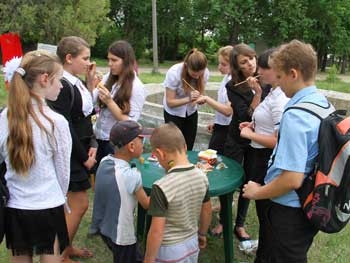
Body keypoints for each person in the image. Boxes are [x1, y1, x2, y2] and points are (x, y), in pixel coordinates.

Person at [243, 40, 323, 262]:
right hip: (311, 201)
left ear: (293, 74)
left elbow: (292, 179)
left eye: (279, 77)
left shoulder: (296, 114)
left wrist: (256, 192)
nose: (276, 83)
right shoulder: (321, 103)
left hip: (290, 209)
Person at [0, 50, 72, 263]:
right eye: (59, 80)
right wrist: (63, 197)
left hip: (16, 206)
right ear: (44, 79)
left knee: (20, 258)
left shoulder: (5, 117)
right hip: (48, 204)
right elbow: (63, 172)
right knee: (50, 257)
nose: (61, 86)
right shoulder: (56, 122)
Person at [47, 36, 97, 263]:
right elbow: (65, 127)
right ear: (69, 58)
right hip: (71, 154)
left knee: (70, 205)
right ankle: (59, 255)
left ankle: (66, 248)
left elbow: (86, 115)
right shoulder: (62, 85)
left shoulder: (74, 81)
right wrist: (83, 157)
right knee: (79, 204)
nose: (89, 62)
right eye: (85, 58)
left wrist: (93, 145)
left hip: (82, 148)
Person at [238, 48, 289, 257]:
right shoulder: (271, 92)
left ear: (276, 70)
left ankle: (266, 251)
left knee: (265, 209)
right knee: (263, 209)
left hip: (265, 158)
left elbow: (278, 141)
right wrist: (254, 123)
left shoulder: (279, 99)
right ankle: (265, 246)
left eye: (262, 67)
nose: (258, 70)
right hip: (259, 156)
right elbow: (268, 122)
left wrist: (250, 135)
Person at [144, 123, 212, 263]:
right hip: (192, 244)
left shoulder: (161, 186)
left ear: (161, 154)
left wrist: (149, 259)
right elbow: (207, 210)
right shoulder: (202, 177)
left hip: (169, 251)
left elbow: (157, 231)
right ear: (185, 147)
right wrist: (202, 233)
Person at [219, 43, 265, 245]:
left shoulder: (268, 80)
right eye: (244, 62)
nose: (250, 64)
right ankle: (222, 220)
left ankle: (239, 224)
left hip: (257, 141)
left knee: (249, 182)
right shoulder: (233, 86)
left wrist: (261, 91)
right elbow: (244, 114)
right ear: (237, 67)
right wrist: (257, 95)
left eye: (252, 58)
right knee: (229, 181)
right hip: (236, 139)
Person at [90, 120, 151, 263]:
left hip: (105, 227)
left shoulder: (105, 161)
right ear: (131, 146)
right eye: (141, 140)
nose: (144, 144)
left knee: (132, 257)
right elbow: (147, 204)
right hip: (122, 235)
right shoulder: (132, 176)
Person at [93, 40, 146, 167]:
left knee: (111, 179)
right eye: (109, 60)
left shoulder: (137, 87)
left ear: (126, 61)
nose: (110, 64)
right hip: (99, 136)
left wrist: (109, 101)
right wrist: (90, 81)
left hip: (115, 144)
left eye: (114, 60)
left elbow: (130, 123)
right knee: (97, 176)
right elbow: (91, 100)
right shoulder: (109, 78)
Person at [163, 49, 210, 150]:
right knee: (174, 146)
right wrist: (189, 99)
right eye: (194, 74)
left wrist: (200, 100)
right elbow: (170, 102)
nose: (197, 77)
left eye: (200, 74)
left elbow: (200, 94)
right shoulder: (174, 73)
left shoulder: (205, 73)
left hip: (191, 112)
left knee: (188, 145)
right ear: (186, 65)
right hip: (173, 113)